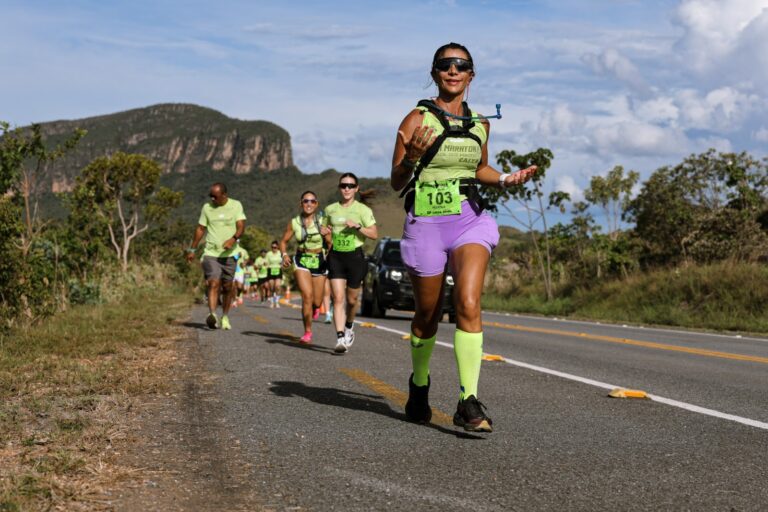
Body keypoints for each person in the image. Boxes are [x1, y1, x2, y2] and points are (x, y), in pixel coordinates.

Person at [390, 42, 537, 432]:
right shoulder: (415, 119)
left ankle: (467, 400)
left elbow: (480, 168)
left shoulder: (480, 124)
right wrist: (411, 158)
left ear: (472, 74)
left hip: (469, 219)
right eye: (445, 65)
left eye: (461, 65)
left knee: (468, 303)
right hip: (426, 223)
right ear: (435, 73)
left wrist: (506, 179)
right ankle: (419, 384)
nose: (453, 70)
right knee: (427, 315)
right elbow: (396, 181)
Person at [322, 173, 378, 353]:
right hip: (336, 257)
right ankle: (340, 339)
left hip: (355, 257)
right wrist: (324, 232)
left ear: (356, 188)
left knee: (352, 301)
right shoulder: (330, 209)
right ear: (339, 188)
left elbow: (374, 234)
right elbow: (325, 229)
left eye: (350, 186)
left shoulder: (363, 210)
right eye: (343, 185)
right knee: (338, 298)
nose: (346, 188)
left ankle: (349, 326)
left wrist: (358, 226)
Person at [186, 182, 246, 330]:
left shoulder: (236, 205)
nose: (212, 199)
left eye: (215, 196)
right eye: (210, 196)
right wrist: (192, 249)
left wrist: (233, 239)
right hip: (211, 253)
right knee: (213, 282)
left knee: (227, 287)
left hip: (230, 255)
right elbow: (200, 229)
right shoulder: (207, 208)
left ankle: (225, 316)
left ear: (224, 195)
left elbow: (241, 226)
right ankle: (212, 315)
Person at [279, 191, 328, 344]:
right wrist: (284, 255)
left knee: (317, 301)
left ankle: (316, 308)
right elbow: (283, 241)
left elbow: (331, 242)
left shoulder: (323, 221)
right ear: (301, 204)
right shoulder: (294, 222)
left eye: (312, 201)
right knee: (307, 296)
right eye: (306, 201)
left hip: (319, 260)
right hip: (301, 260)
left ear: (316, 204)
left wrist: (328, 235)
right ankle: (307, 332)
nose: (309, 204)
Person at [265, 241, 284, 308]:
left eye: (275, 247)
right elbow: (266, 262)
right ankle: (272, 302)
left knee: (277, 286)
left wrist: (282, 264)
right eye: (272, 247)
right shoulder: (268, 254)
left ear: (278, 247)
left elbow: (283, 261)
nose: (274, 248)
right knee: (271, 287)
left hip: (278, 270)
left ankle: (277, 301)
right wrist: (266, 264)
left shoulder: (280, 253)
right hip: (270, 270)